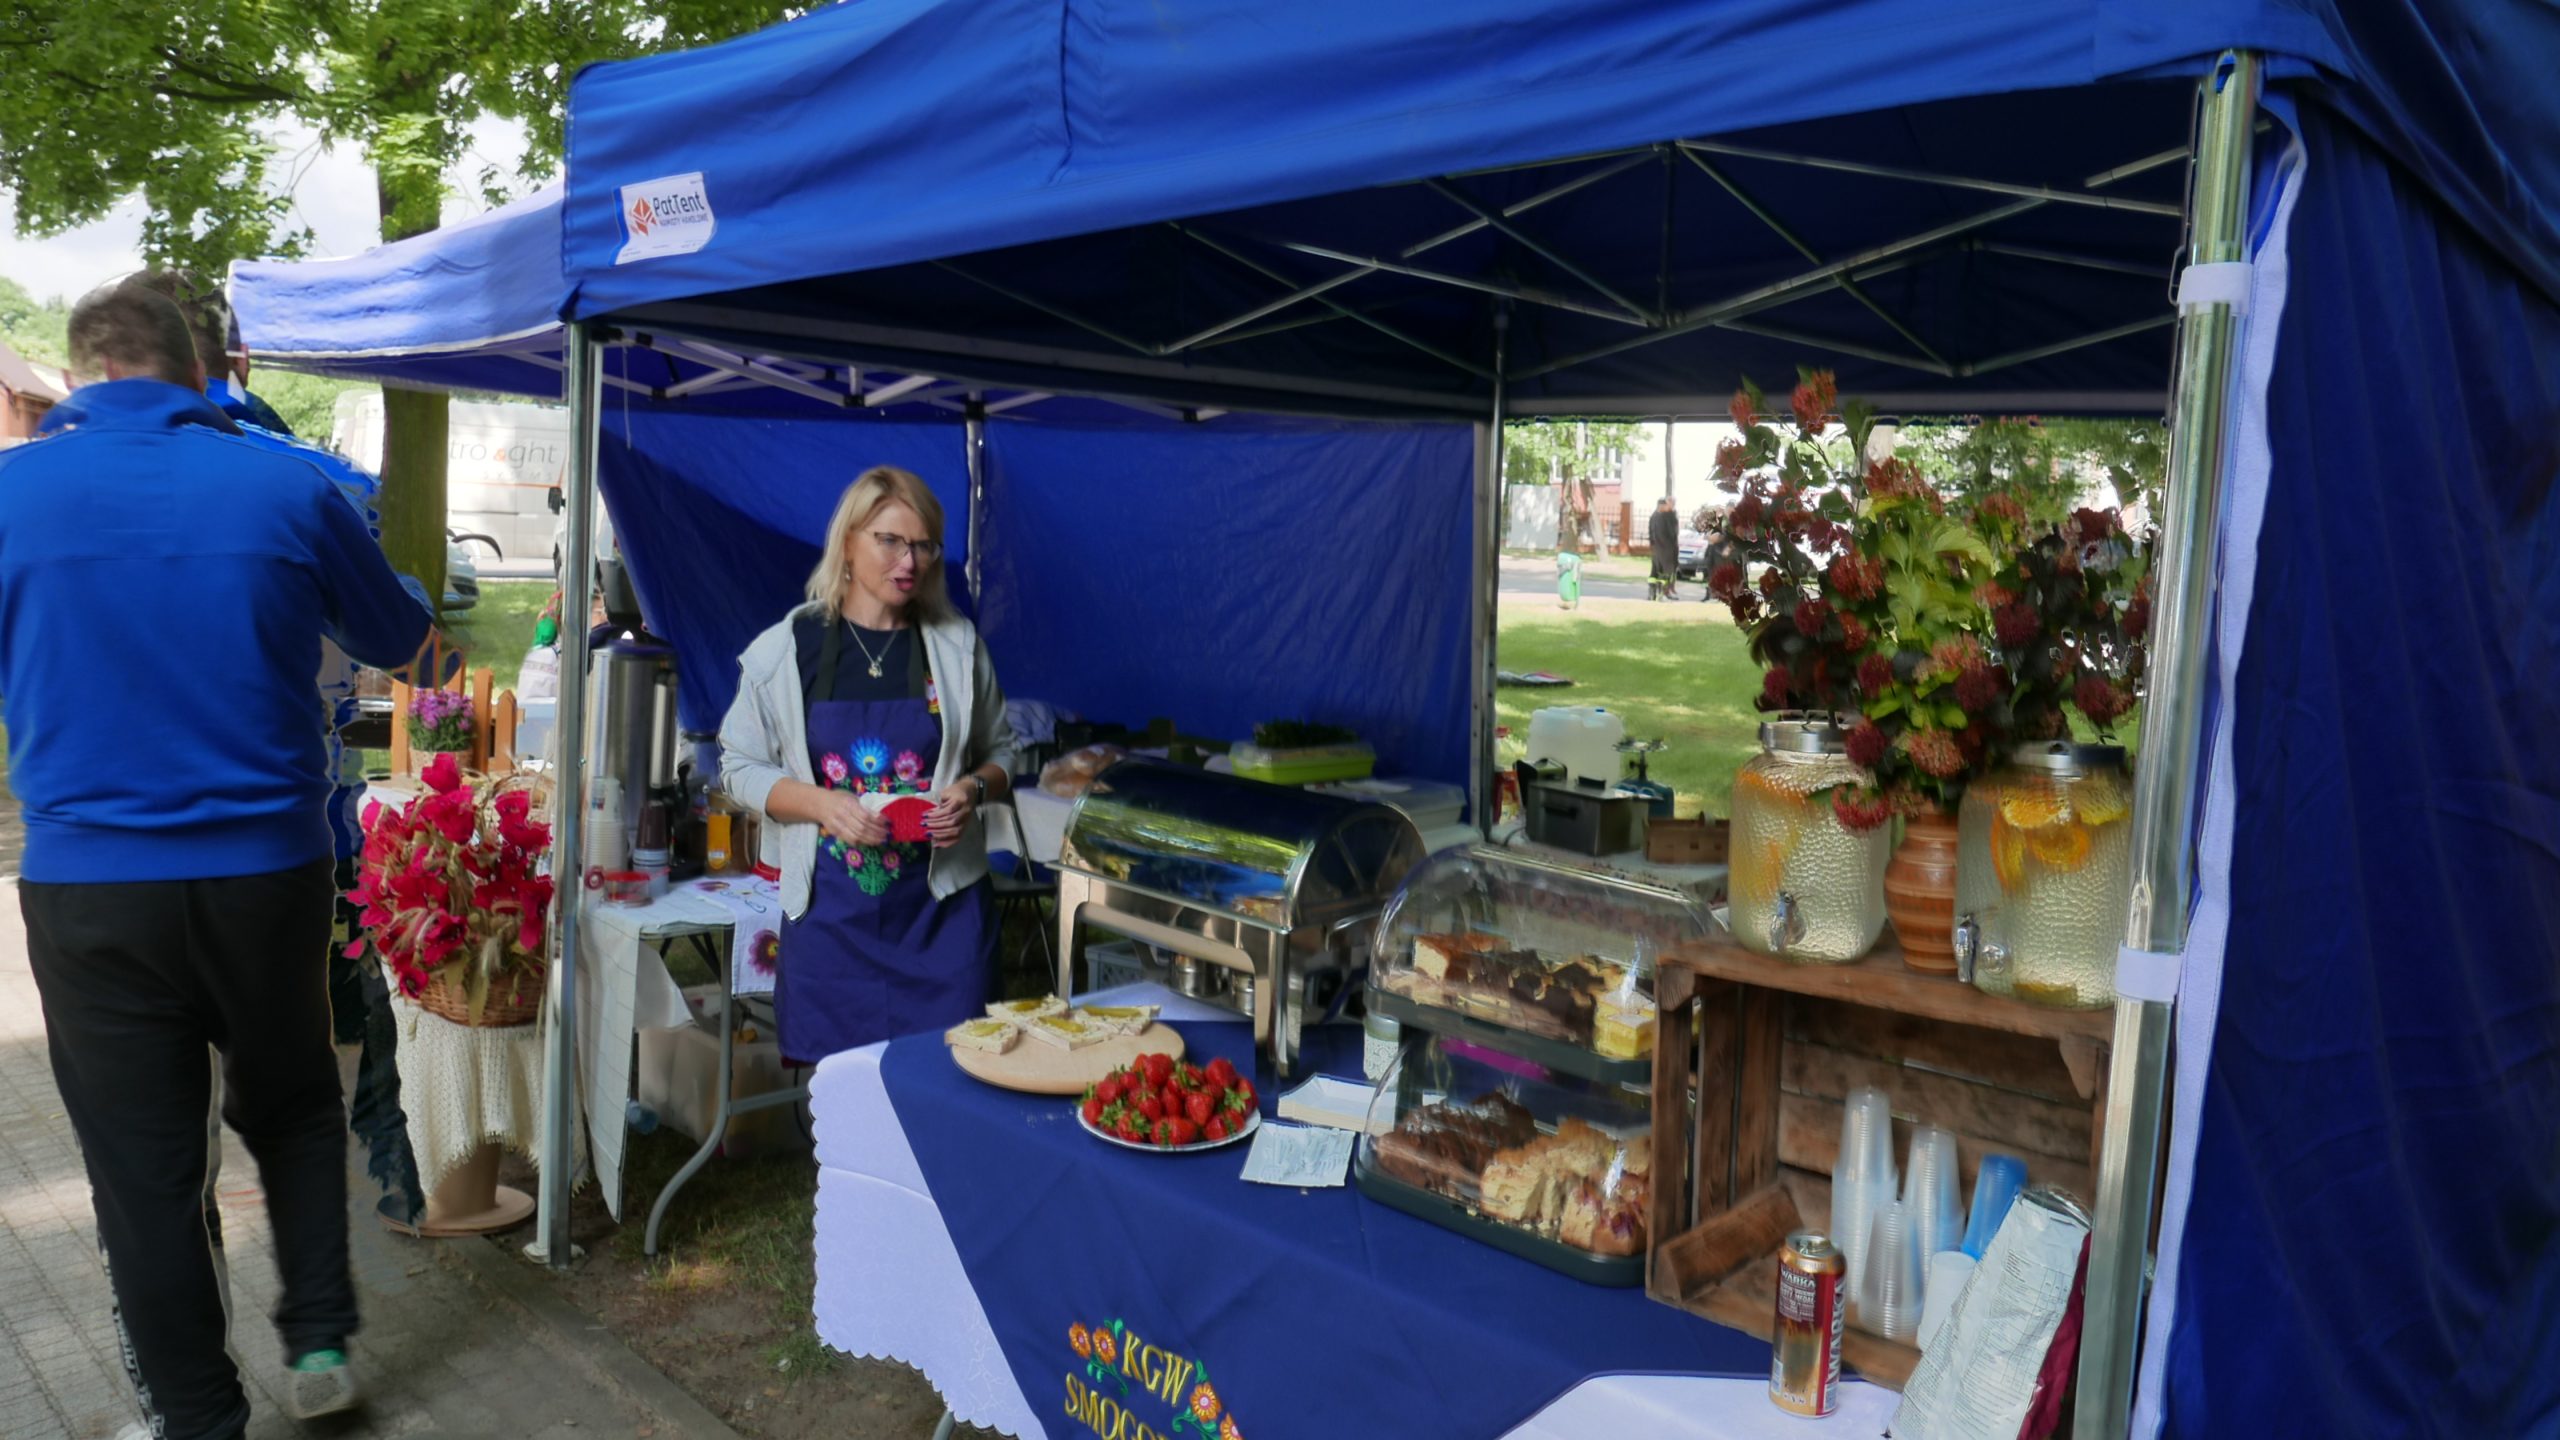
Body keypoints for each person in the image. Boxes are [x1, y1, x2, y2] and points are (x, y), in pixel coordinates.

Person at [0, 282, 433, 1436]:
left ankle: (198, 1419)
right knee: (292, 1107)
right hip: (265, 871)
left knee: (143, 1175)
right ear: (202, 375)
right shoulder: (286, 485)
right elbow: (398, 637)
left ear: (77, 376)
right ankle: (321, 1341)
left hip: (90, 886)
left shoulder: (8, 494)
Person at [120, 270, 433, 1232]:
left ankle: (167, 1274)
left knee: (159, 1132)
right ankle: (371, 1187)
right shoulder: (322, 479)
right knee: (298, 1084)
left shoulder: (67, 481)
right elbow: (390, 645)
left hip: (118, 845)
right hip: (293, 829)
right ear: (239, 359)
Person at [720, 466, 1017, 1064]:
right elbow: (737, 766)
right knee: (843, 1096)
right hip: (832, 927)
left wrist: (971, 790)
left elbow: (1002, 753)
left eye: (924, 545)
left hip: (943, 922)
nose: (909, 561)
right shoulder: (788, 650)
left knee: (951, 1083)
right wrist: (822, 805)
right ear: (848, 543)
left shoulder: (956, 648)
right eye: (891, 541)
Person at [1649, 495, 1682, 600]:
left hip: (1659, 549)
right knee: (1664, 572)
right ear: (1663, 505)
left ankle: (1654, 594)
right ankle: (1661, 593)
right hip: (1664, 549)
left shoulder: (1656, 515)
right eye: (1669, 504)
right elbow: (1672, 533)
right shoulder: (1663, 516)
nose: (1671, 506)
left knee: (1657, 572)